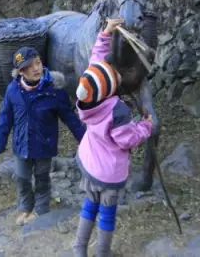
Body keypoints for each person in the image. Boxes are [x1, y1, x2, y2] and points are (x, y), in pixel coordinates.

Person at [73, 18, 153, 257]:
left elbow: (97, 60)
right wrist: (145, 127)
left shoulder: (87, 101)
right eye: (115, 76)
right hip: (109, 174)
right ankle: (103, 252)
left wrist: (105, 33)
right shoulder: (118, 111)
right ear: (110, 87)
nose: (118, 73)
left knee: (89, 206)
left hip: (90, 166)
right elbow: (127, 139)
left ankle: (79, 248)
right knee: (107, 215)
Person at [0, 46, 85, 226]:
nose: (35, 69)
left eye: (38, 63)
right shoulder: (13, 90)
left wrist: (85, 139)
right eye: (28, 67)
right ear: (20, 72)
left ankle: (42, 210)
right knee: (22, 177)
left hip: (44, 145)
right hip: (21, 145)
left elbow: (70, 118)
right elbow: (5, 118)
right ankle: (25, 208)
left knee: (42, 178)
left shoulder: (54, 91)